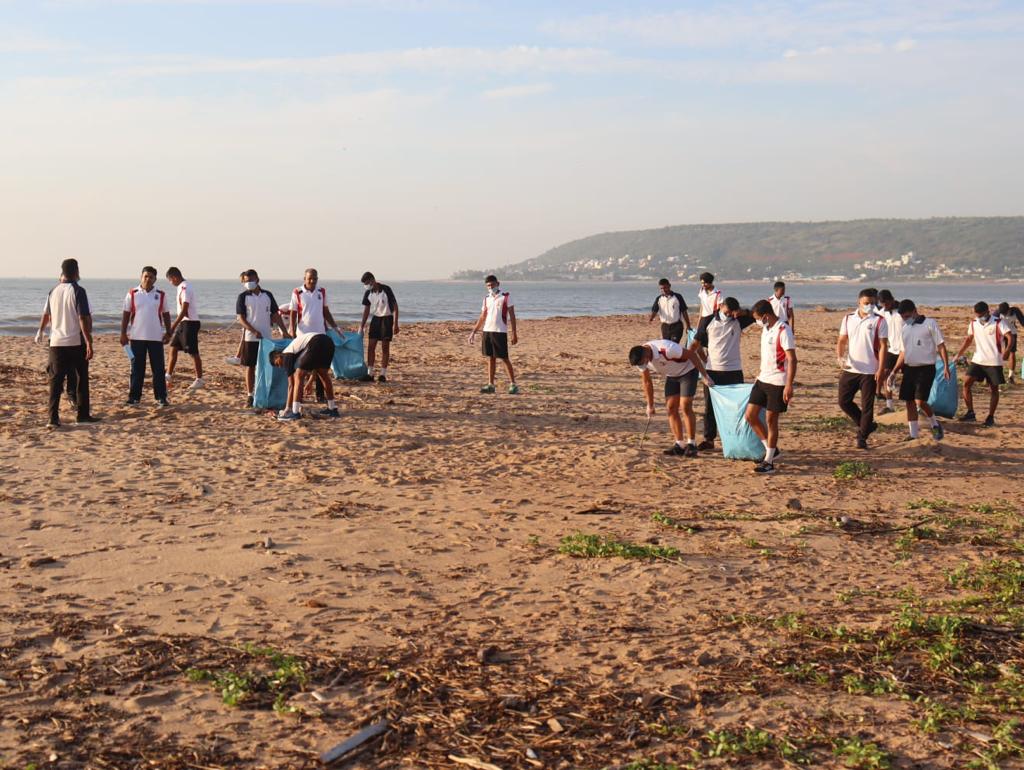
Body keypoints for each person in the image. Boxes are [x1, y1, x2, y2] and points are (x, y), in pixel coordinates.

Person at [36, 258, 98, 428]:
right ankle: (82, 415)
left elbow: (46, 315)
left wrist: (40, 330)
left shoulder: (53, 291)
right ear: (76, 271)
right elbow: (83, 318)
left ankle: (53, 418)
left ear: (62, 272)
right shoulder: (78, 291)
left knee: (55, 381)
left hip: (56, 342)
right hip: (75, 341)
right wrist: (89, 341)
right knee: (81, 378)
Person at [629, 338, 714, 457]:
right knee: (670, 408)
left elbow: (692, 355)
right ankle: (679, 444)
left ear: (646, 352)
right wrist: (650, 405)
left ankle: (692, 444)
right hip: (672, 376)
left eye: (642, 362)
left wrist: (705, 376)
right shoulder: (642, 361)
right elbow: (647, 382)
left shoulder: (667, 349)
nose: (643, 365)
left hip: (688, 371)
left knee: (685, 405)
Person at [691, 296, 754, 451]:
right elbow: (696, 343)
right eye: (727, 311)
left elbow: (757, 313)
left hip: (734, 370)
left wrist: (743, 312)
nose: (730, 315)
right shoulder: (708, 320)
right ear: (721, 306)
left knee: (736, 408)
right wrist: (695, 362)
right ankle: (709, 439)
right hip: (712, 370)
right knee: (710, 407)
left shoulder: (738, 320)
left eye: (733, 312)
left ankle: (734, 439)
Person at [744, 299, 797, 474]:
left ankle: (769, 461)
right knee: (750, 416)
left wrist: (789, 385)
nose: (758, 322)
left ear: (766, 316)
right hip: (762, 379)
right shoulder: (766, 329)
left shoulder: (783, 330)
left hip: (778, 382)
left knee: (771, 420)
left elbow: (791, 358)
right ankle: (771, 450)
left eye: (758, 318)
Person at [888, 299, 948, 441]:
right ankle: (913, 434)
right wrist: (894, 371)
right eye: (903, 317)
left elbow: (940, 345)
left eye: (907, 316)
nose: (905, 320)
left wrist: (946, 365)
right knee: (909, 401)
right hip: (909, 368)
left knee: (919, 401)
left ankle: (934, 423)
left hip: (926, 368)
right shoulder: (905, 329)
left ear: (915, 311)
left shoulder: (930, 324)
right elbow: (903, 352)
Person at [836, 289, 889, 449]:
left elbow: (883, 346)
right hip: (851, 368)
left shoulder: (880, 321)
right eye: (866, 303)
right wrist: (840, 357)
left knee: (868, 406)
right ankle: (866, 425)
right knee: (843, 401)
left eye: (873, 303)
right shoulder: (848, 318)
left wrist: (881, 369)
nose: (870, 306)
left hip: (870, 370)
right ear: (859, 302)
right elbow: (842, 340)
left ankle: (862, 436)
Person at [954, 301, 1016, 426]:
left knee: (993, 389)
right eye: (977, 315)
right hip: (978, 360)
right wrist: (958, 354)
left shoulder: (998, 322)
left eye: (981, 315)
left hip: (994, 361)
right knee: (966, 383)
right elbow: (968, 339)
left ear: (987, 312)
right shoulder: (973, 323)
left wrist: (1008, 350)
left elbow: (1010, 337)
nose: (979, 317)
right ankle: (970, 413)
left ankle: (990, 417)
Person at [236, 269, 290, 408]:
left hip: (267, 338)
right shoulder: (243, 297)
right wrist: (253, 330)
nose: (248, 283)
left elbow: (275, 314)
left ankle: (266, 391)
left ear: (257, 280)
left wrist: (284, 331)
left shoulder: (267, 295)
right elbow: (240, 318)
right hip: (250, 337)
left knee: (268, 365)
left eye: (251, 280)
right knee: (250, 366)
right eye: (246, 281)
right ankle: (250, 395)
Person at [120, 266, 173, 406]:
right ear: (141, 277)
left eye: (151, 277)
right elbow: (126, 314)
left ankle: (161, 397)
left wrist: (169, 332)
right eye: (145, 276)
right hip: (136, 338)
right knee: (137, 369)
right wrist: (123, 333)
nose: (148, 279)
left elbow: (166, 314)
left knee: (158, 369)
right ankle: (134, 398)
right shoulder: (132, 293)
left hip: (156, 338)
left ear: (155, 279)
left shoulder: (161, 295)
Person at [290, 268, 343, 402]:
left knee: (321, 366)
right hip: (303, 334)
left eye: (315, 278)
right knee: (301, 366)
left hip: (320, 333)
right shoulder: (297, 292)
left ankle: (320, 396)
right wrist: (291, 328)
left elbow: (326, 312)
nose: (312, 281)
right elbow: (293, 312)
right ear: (304, 279)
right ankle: (299, 397)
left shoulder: (322, 292)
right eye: (309, 278)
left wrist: (335, 327)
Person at [269, 332, 340, 420]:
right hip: (328, 341)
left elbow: (291, 385)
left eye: (277, 364)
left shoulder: (286, 354)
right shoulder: (297, 352)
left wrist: (287, 408)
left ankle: (294, 412)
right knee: (323, 375)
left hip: (315, 341)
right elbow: (315, 366)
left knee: (298, 375)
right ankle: (332, 408)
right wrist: (310, 382)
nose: (281, 366)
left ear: (278, 356)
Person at [469, 275, 519, 394]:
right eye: (488, 286)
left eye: (492, 285)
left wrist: (514, 333)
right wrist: (473, 332)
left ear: (498, 284)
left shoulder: (505, 297)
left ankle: (513, 384)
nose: (490, 287)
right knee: (490, 358)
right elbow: (482, 316)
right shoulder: (486, 298)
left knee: (504, 358)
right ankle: (491, 384)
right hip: (487, 331)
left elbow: (512, 315)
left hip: (500, 331)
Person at [164, 267, 204, 391]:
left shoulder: (185, 287)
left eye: (170, 280)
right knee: (173, 347)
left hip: (189, 323)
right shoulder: (180, 287)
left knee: (193, 352)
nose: (171, 283)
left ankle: (199, 379)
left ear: (174, 277)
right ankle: (168, 375)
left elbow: (184, 310)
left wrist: (172, 326)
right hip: (184, 323)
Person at [359, 272, 399, 382]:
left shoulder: (386, 289)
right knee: (371, 346)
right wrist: (361, 326)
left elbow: (395, 306)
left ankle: (382, 374)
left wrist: (395, 323)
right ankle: (370, 373)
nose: (367, 285)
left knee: (385, 347)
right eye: (365, 284)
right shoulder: (368, 293)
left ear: (372, 280)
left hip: (387, 318)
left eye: (367, 283)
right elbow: (366, 310)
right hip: (375, 319)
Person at [877, 290, 903, 414]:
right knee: (885, 373)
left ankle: (918, 406)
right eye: (883, 304)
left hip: (906, 350)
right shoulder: (881, 313)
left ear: (892, 299)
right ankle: (889, 405)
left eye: (887, 303)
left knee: (911, 378)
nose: (885, 306)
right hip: (892, 349)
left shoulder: (903, 311)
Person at [648, 278, 690, 343]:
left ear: (669, 286)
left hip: (677, 326)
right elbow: (655, 310)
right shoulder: (659, 299)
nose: (663, 290)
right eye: (661, 288)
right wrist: (651, 318)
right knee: (666, 346)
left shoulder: (678, 297)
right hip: (665, 327)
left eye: (665, 287)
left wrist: (688, 325)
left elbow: (684, 311)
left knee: (673, 344)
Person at [996, 302, 1024, 384]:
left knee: (1012, 353)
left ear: (1009, 309)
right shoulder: (997, 312)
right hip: (1000, 333)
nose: (1004, 315)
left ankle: (1010, 376)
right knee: (996, 352)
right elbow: (991, 323)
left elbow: (1023, 322)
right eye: (1002, 314)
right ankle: (996, 375)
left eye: (1005, 313)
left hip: (1012, 333)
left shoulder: (1015, 311)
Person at [225, 271, 248, 367]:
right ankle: (239, 356)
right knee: (244, 338)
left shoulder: (246, 295)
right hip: (246, 320)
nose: (243, 283)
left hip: (249, 321)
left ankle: (238, 357)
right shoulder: (244, 295)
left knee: (244, 338)